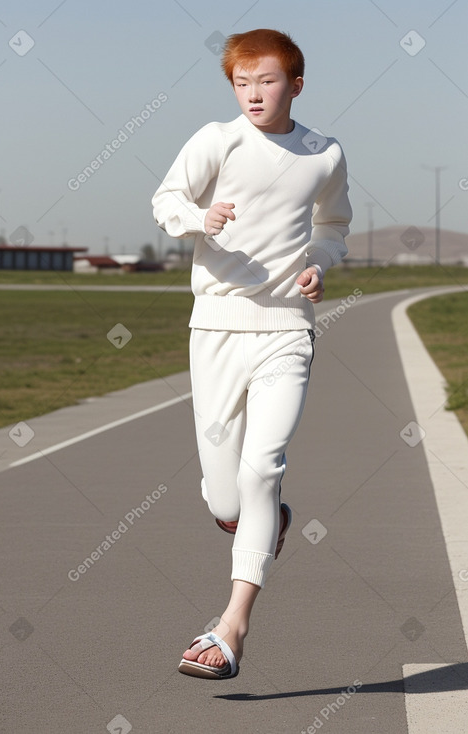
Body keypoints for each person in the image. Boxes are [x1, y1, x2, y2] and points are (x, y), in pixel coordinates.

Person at [152, 28, 352, 680]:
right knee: (225, 503)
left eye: (266, 81)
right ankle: (264, 522)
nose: (254, 94)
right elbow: (165, 200)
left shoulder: (323, 154)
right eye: (242, 83)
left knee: (263, 466)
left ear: (295, 84)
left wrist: (320, 264)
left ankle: (232, 626)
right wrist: (196, 220)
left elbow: (333, 225)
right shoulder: (217, 140)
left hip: (285, 330)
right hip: (214, 330)